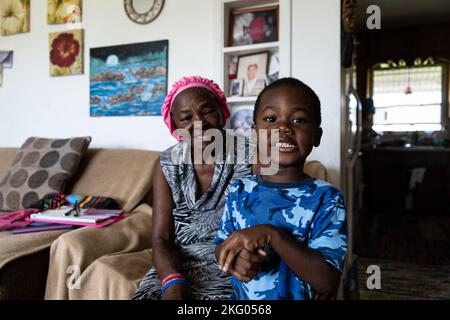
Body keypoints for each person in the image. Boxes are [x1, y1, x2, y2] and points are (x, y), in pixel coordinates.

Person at [215, 77, 348, 300]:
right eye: (271, 118)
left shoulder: (327, 198)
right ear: (255, 133)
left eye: (299, 119)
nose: (283, 127)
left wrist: (272, 234)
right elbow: (221, 245)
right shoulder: (239, 191)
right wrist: (233, 260)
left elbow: (327, 280)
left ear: (316, 136)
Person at [132, 76, 257, 300]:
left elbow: (266, 222)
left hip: (234, 263)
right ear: (175, 125)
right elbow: (161, 238)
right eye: (186, 117)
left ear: (221, 113)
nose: (199, 124)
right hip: (179, 265)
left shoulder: (252, 156)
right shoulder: (166, 165)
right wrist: (173, 280)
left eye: (207, 111)